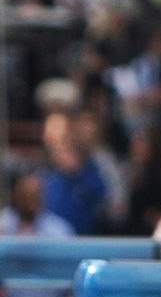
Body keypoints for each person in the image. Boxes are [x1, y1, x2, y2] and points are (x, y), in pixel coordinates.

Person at [34, 91, 121, 238]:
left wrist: (78, 173)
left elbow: (112, 207)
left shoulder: (97, 164)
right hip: (52, 238)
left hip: (87, 238)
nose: (86, 130)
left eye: (89, 124)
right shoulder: (48, 166)